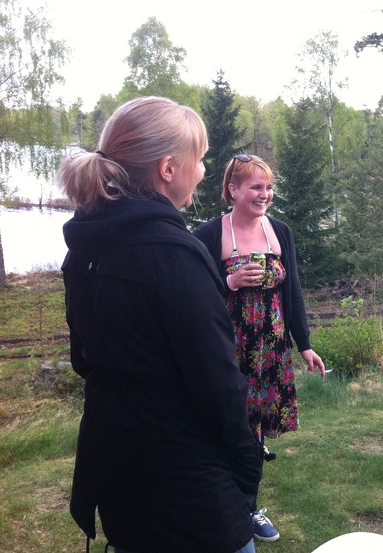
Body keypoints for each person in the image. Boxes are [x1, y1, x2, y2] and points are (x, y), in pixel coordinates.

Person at [58, 97, 261, 553]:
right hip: (188, 485)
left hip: (117, 469)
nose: (204, 171)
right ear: (168, 168)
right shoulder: (174, 254)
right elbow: (219, 383)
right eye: (200, 159)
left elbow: (83, 360)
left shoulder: (83, 246)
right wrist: (248, 468)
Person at [194, 154, 326, 542]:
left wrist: (304, 345)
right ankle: (218, 503)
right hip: (226, 350)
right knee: (225, 427)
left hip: (270, 350)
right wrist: (230, 282)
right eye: (256, 187)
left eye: (269, 187)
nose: (264, 194)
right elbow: (193, 294)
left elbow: (292, 291)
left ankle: (248, 509)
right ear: (233, 190)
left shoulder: (280, 232)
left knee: (255, 432)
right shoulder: (209, 234)